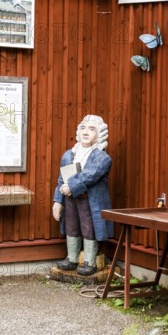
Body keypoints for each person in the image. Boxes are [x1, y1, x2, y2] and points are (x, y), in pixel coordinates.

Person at [52, 114, 113, 276]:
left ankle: (89, 261)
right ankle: (72, 258)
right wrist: (58, 201)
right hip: (70, 199)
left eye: (91, 129)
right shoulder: (69, 155)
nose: (86, 132)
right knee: (71, 226)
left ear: (99, 134)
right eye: (83, 128)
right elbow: (61, 179)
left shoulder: (102, 158)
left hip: (89, 201)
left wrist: (71, 186)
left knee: (89, 228)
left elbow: (90, 175)